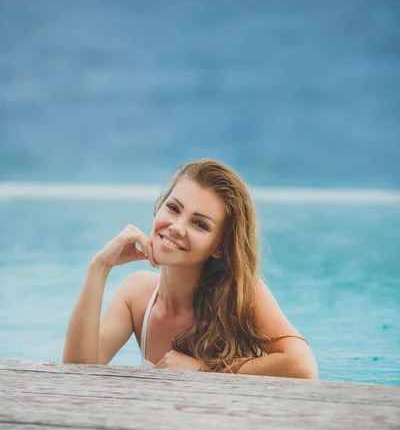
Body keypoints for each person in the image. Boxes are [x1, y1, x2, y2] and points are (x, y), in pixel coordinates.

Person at [63, 159, 318, 378]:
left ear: (219, 247)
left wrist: (206, 370)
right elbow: (78, 371)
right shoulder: (137, 296)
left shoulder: (241, 292)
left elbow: (302, 366)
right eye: (173, 208)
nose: (176, 227)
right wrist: (99, 267)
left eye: (199, 224)